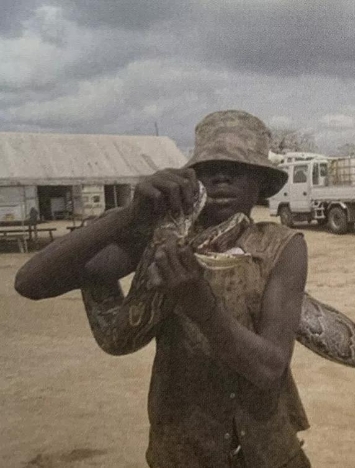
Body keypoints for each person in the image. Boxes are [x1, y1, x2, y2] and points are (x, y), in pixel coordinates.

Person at [14, 110, 312, 468]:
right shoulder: (158, 239)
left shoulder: (282, 246)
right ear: (193, 179)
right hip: (181, 453)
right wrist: (129, 215)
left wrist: (202, 307)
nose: (222, 177)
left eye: (238, 168)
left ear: (261, 183)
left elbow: (269, 368)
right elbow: (30, 283)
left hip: (269, 454)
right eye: (210, 168)